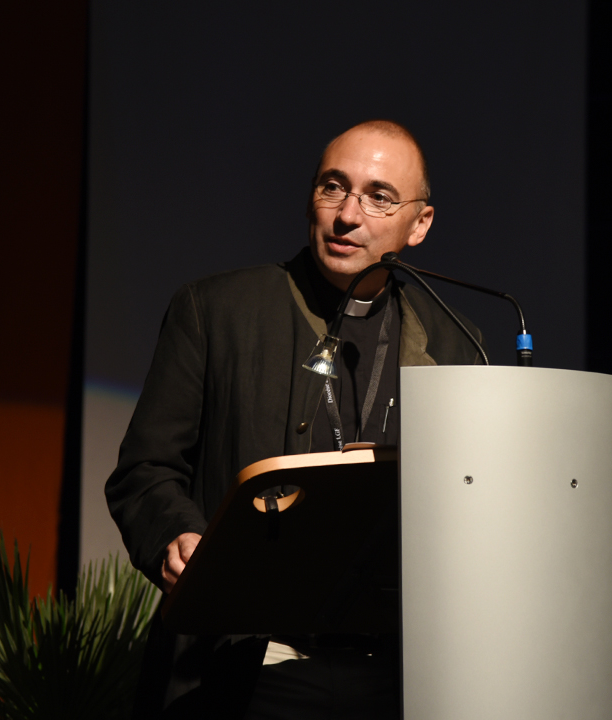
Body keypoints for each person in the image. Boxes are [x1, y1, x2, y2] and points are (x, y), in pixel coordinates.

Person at [105, 120, 485, 719]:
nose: (347, 215)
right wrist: (177, 536)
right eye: (333, 188)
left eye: (378, 196)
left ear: (420, 224)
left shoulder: (458, 343)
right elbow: (145, 470)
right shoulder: (217, 311)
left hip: (401, 672)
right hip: (245, 664)